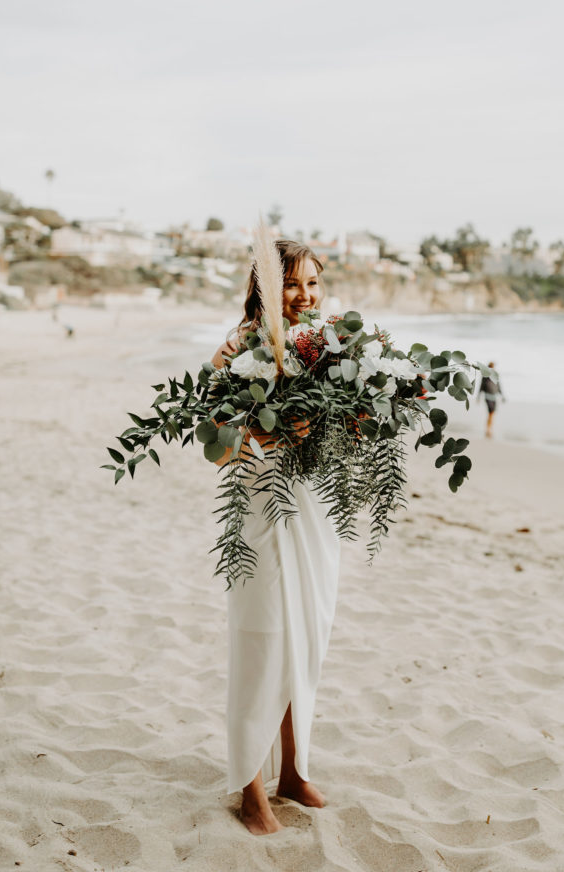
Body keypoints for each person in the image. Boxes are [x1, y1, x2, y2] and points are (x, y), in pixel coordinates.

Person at [211, 240, 340, 836]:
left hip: (314, 517)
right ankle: (249, 787)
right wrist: (260, 438)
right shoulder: (235, 353)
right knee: (262, 643)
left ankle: (292, 770)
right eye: (292, 284)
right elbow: (216, 450)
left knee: (305, 643)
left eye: (312, 284)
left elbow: (341, 440)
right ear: (265, 289)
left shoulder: (332, 350)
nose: (305, 296)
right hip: (260, 514)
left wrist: (350, 423)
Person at [479, 361, 505, 438]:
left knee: (492, 414)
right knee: (491, 413)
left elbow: (499, 386)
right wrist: (478, 397)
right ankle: (488, 430)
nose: (492, 368)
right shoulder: (485, 376)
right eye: (491, 367)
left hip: (494, 397)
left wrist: (502, 396)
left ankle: (489, 428)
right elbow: (481, 387)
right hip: (487, 397)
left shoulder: (496, 376)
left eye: (493, 367)